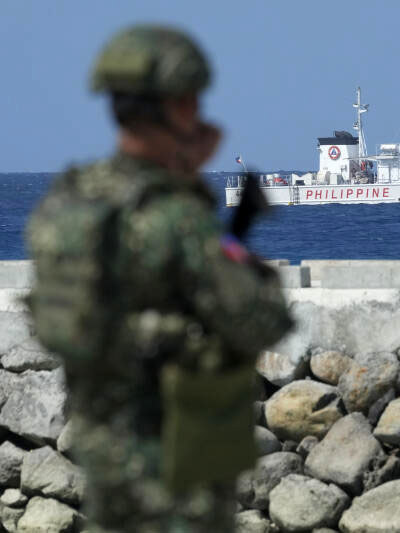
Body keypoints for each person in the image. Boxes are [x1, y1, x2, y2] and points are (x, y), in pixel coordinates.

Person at [26, 25, 292, 532]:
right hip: (177, 459)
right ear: (177, 105)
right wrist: (193, 186)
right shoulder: (174, 216)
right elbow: (262, 320)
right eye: (191, 99)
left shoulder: (63, 204)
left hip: (104, 451)